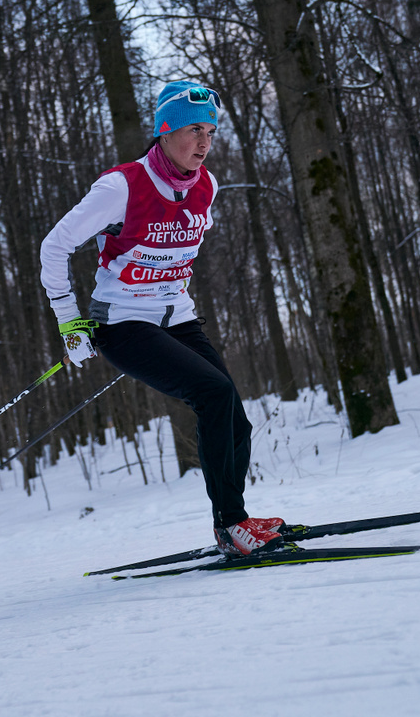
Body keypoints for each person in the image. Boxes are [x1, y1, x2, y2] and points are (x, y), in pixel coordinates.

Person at [39, 81, 284, 556]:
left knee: (235, 417)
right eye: (195, 130)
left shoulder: (206, 186)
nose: (205, 143)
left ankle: (236, 520)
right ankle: (231, 526)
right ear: (166, 131)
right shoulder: (121, 187)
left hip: (177, 316)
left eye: (211, 131)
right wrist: (70, 322)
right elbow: (54, 247)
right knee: (212, 394)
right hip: (123, 323)